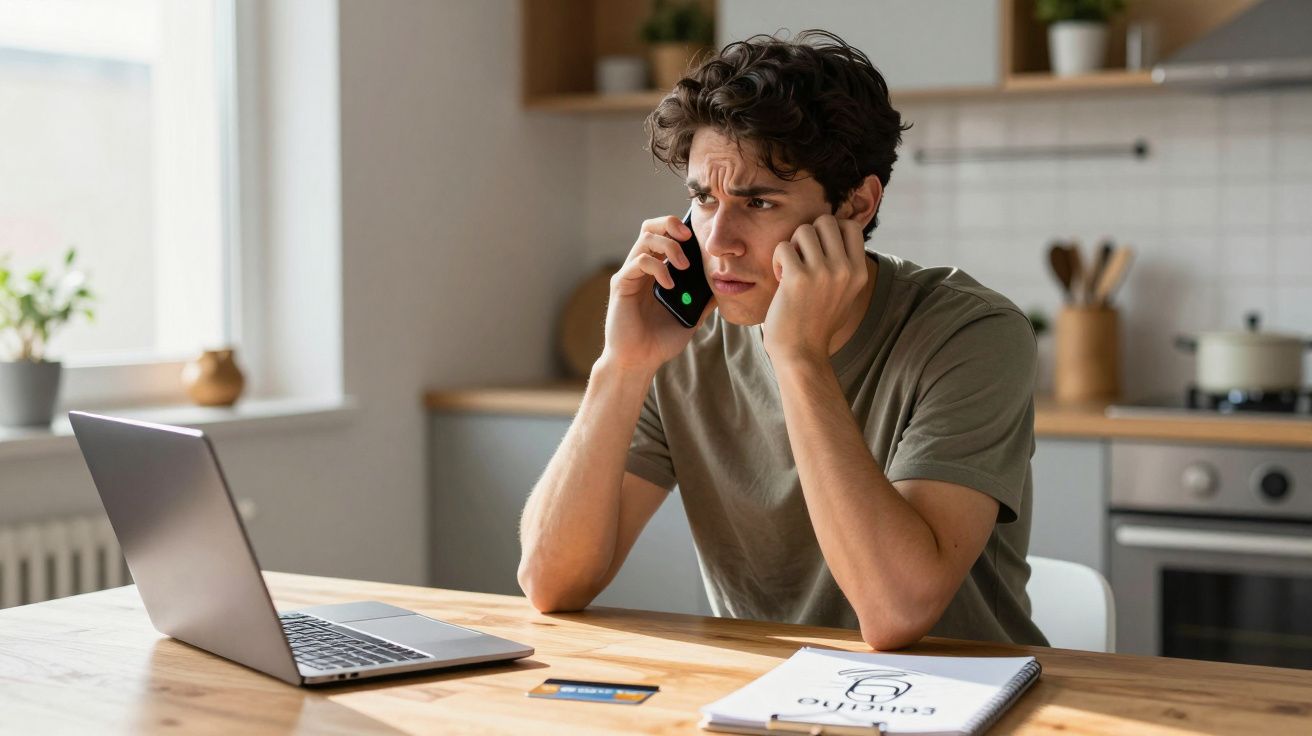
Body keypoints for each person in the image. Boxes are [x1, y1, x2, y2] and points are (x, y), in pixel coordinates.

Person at [517, 30, 1047, 649]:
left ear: (855, 206)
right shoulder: (685, 341)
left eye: (759, 201)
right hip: (761, 702)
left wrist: (796, 354)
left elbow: (897, 611)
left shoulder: (972, 334)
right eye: (704, 199)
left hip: (957, 700)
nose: (717, 242)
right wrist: (621, 366)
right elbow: (552, 584)